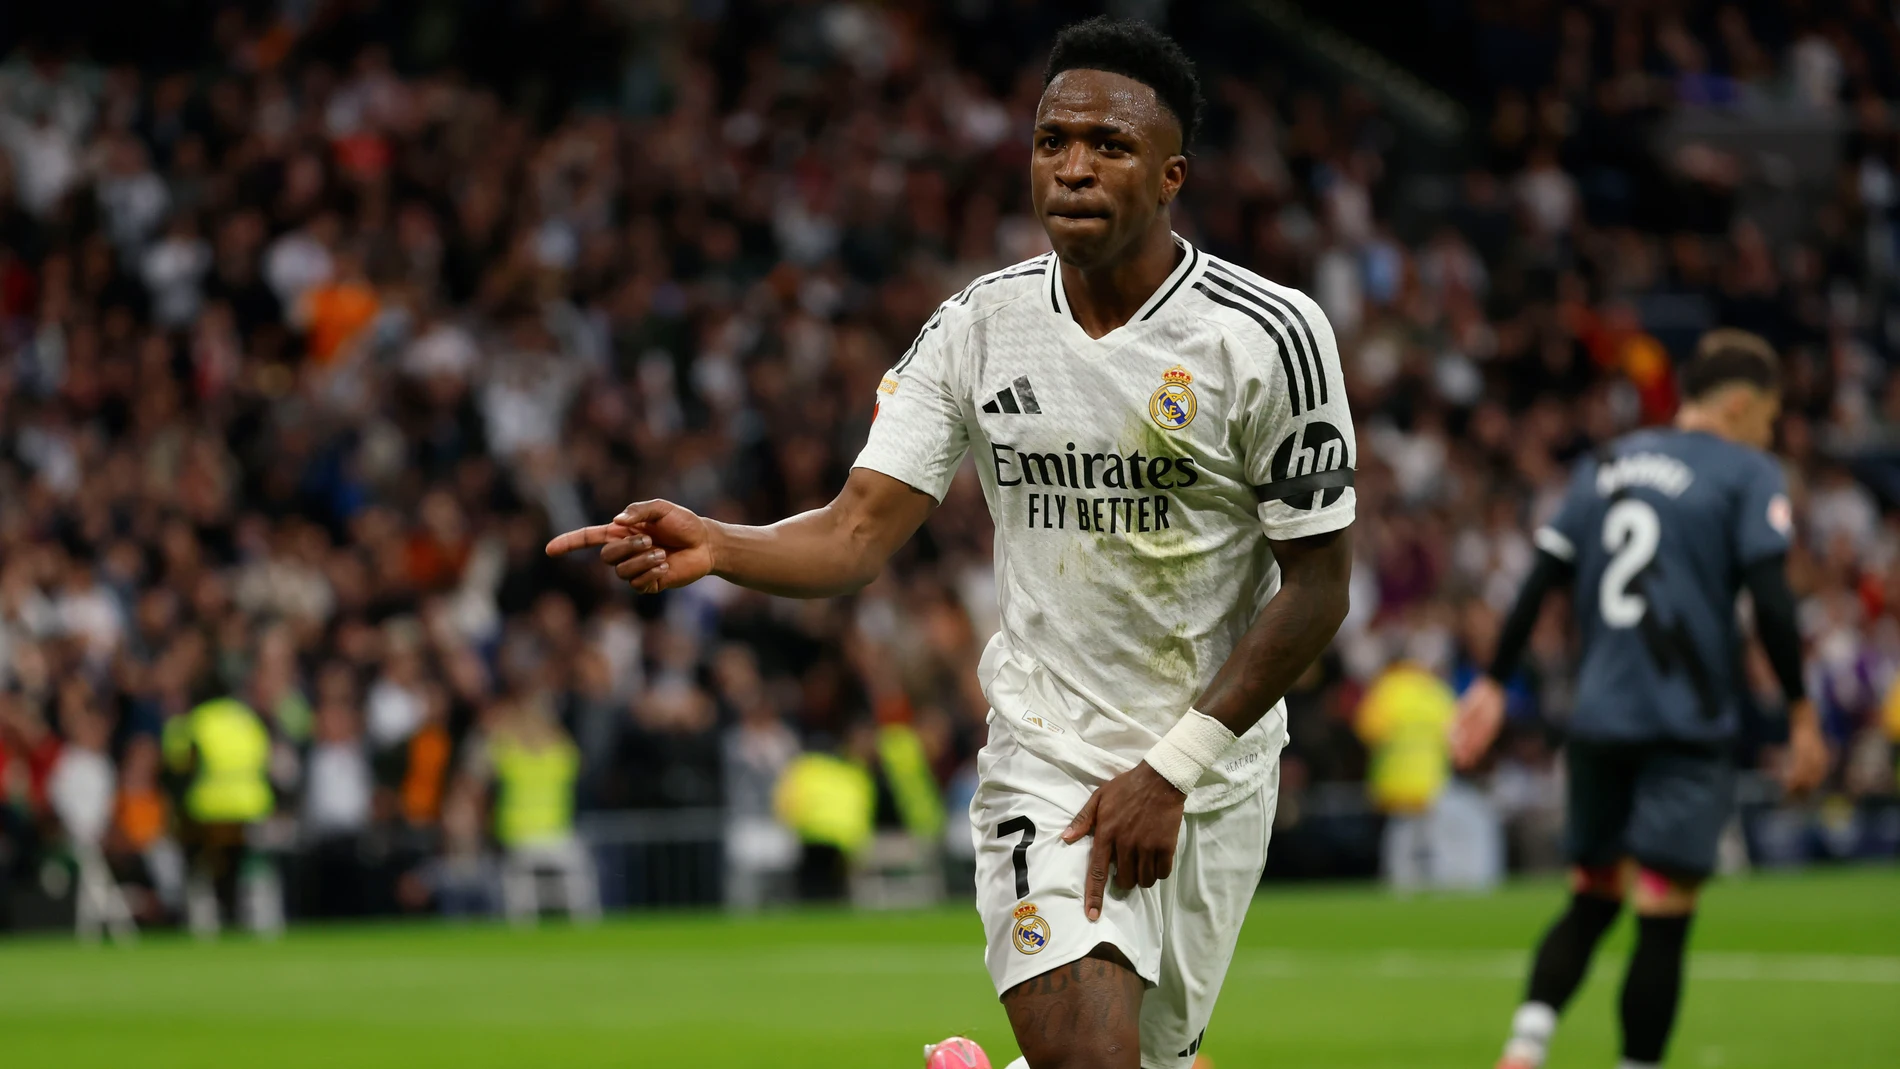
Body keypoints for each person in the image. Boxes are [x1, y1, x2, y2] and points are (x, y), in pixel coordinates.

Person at [548, 17, 1356, 1068]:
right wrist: (720, 542)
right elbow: (854, 532)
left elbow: (1319, 586)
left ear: (1172, 177)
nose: (1072, 167)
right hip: (1047, 753)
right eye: (1052, 141)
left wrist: (1172, 768)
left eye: (1109, 146)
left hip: (1212, 766)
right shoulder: (977, 327)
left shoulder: (1267, 337)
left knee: (1160, 1059)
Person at [1451, 329, 1830, 1069]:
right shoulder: (1748, 471)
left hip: (1599, 720)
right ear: (1741, 404)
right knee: (1663, 914)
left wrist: (1493, 681)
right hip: (1685, 723)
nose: (1771, 433)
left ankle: (1526, 1042)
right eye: (1770, 416)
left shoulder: (1606, 463)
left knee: (1593, 894)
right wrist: (1801, 711)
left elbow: (1540, 578)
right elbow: (1772, 600)